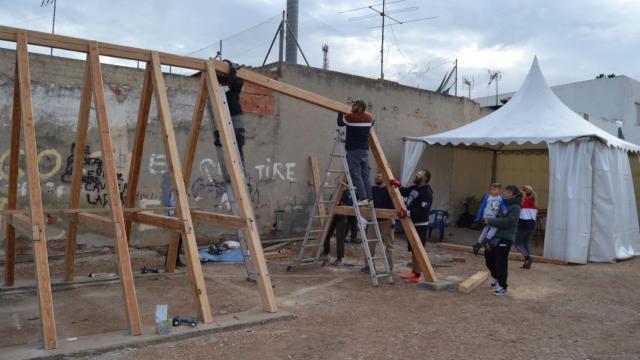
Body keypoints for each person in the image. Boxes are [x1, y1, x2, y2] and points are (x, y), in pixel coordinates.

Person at [483, 185, 522, 296]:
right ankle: (495, 278)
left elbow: (509, 222)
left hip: (506, 237)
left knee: (501, 261)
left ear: (514, 194)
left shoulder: (515, 207)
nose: (505, 193)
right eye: (505, 191)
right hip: (494, 236)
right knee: (489, 258)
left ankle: (502, 286)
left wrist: (490, 221)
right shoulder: (501, 203)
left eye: (508, 192)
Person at [398, 169, 433, 284]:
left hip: (420, 225)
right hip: (412, 224)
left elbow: (423, 210)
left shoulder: (427, 192)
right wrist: (398, 185)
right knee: (413, 249)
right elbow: (404, 192)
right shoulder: (414, 188)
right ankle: (414, 272)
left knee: (418, 250)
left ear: (424, 178)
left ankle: (418, 275)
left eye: (418, 175)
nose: (415, 176)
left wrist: (407, 213)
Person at [337, 99, 373, 206]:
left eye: (354, 105)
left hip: (354, 150)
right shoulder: (369, 118)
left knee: (356, 174)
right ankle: (369, 198)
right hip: (365, 150)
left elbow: (340, 122)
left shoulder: (350, 117)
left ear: (360, 107)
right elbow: (372, 123)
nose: (352, 107)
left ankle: (363, 197)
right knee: (365, 175)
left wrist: (340, 112)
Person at [362, 172, 396, 273]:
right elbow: (366, 201)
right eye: (376, 177)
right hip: (374, 220)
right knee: (370, 243)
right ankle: (368, 266)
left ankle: (390, 268)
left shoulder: (390, 190)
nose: (376, 178)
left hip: (387, 221)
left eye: (379, 177)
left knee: (389, 245)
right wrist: (358, 203)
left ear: (385, 179)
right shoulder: (372, 189)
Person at [214, 60, 246, 164]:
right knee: (222, 137)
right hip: (224, 115)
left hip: (235, 115)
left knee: (238, 140)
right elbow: (218, 78)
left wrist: (232, 70)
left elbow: (233, 82)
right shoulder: (222, 81)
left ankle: (241, 171)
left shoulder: (237, 82)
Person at [473, 183, 507, 255]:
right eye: (491, 189)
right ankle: (486, 241)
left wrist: (504, 210)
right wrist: (478, 218)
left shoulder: (501, 198)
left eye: (494, 190)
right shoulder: (487, 197)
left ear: (499, 191)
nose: (492, 191)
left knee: (485, 230)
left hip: (493, 216)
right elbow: (482, 207)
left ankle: (478, 244)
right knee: (494, 228)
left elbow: (503, 205)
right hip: (487, 216)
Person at [321, 191, 352, 266]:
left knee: (339, 238)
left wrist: (340, 203)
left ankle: (339, 258)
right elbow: (331, 203)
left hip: (342, 217)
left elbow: (349, 204)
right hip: (333, 216)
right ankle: (326, 252)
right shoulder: (334, 192)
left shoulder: (348, 193)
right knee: (326, 234)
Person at [515, 185, 538, 269]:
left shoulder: (522, 202)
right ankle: (526, 263)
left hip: (523, 225)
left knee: (517, 243)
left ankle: (527, 257)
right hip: (531, 226)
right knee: (525, 244)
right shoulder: (535, 204)